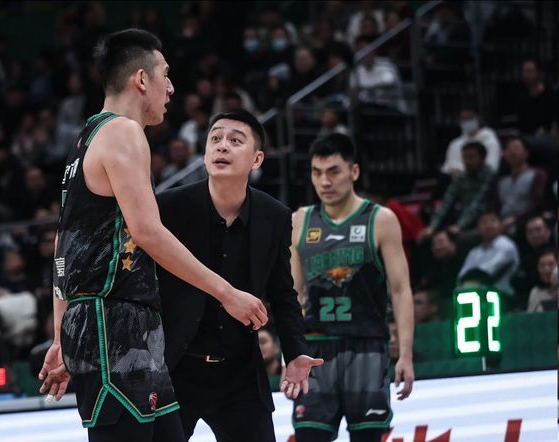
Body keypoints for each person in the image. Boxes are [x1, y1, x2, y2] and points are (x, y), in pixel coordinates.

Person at [37, 29, 268, 442]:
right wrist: (226, 293)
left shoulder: (86, 138)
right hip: (113, 325)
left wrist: (61, 334)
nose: (171, 87)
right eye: (166, 73)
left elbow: (63, 246)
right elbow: (147, 232)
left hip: (118, 327)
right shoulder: (124, 132)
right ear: (142, 79)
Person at [155, 109, 322, 441]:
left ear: (257, 159)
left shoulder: (274, 215)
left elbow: (283, 292)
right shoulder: (169, 207)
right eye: (215, 139)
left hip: (239, 371)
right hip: (175, 366)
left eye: (235, 141)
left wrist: (295, 352)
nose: (222, 146)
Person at [290, 133, 414, 442]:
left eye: (333, 171)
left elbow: (401, 290)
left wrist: (406, 355)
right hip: (316, 350)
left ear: (353, 172)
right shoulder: (300, 221)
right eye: (317, 173)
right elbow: (293, 296)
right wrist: (289, 354)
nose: (324, 182)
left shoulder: (380, 219)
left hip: (367, 347)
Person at [421, 142, 496, 240]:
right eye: (465, 158)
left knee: (460, 239)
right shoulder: (460, 177)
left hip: (483, 220)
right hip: (461, 219)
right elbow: (446, 203)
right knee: (427, 238)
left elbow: (477, 204)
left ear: (482, 158)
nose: (467, 161)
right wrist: (432, 227)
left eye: (471, 157)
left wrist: (460, 225)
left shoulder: (490, 175)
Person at [457, 211, 520, 303]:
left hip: (502, 297)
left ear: (500, 225)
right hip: (475, 297)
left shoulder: (506, 246)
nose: (488, 225)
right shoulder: (474, 252)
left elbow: (486, 272)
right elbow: (461, 276)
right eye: (484, 222)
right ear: (478, 228)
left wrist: (470, 279)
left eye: (493, 221)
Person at [440, 106, 501, 177]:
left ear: (478, 118)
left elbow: (491, 167)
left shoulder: (490, 141)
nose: (466, 122)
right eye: (463, 119)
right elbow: (447, 167)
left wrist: (461, 171)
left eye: (469, 118)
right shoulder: (455, 144)